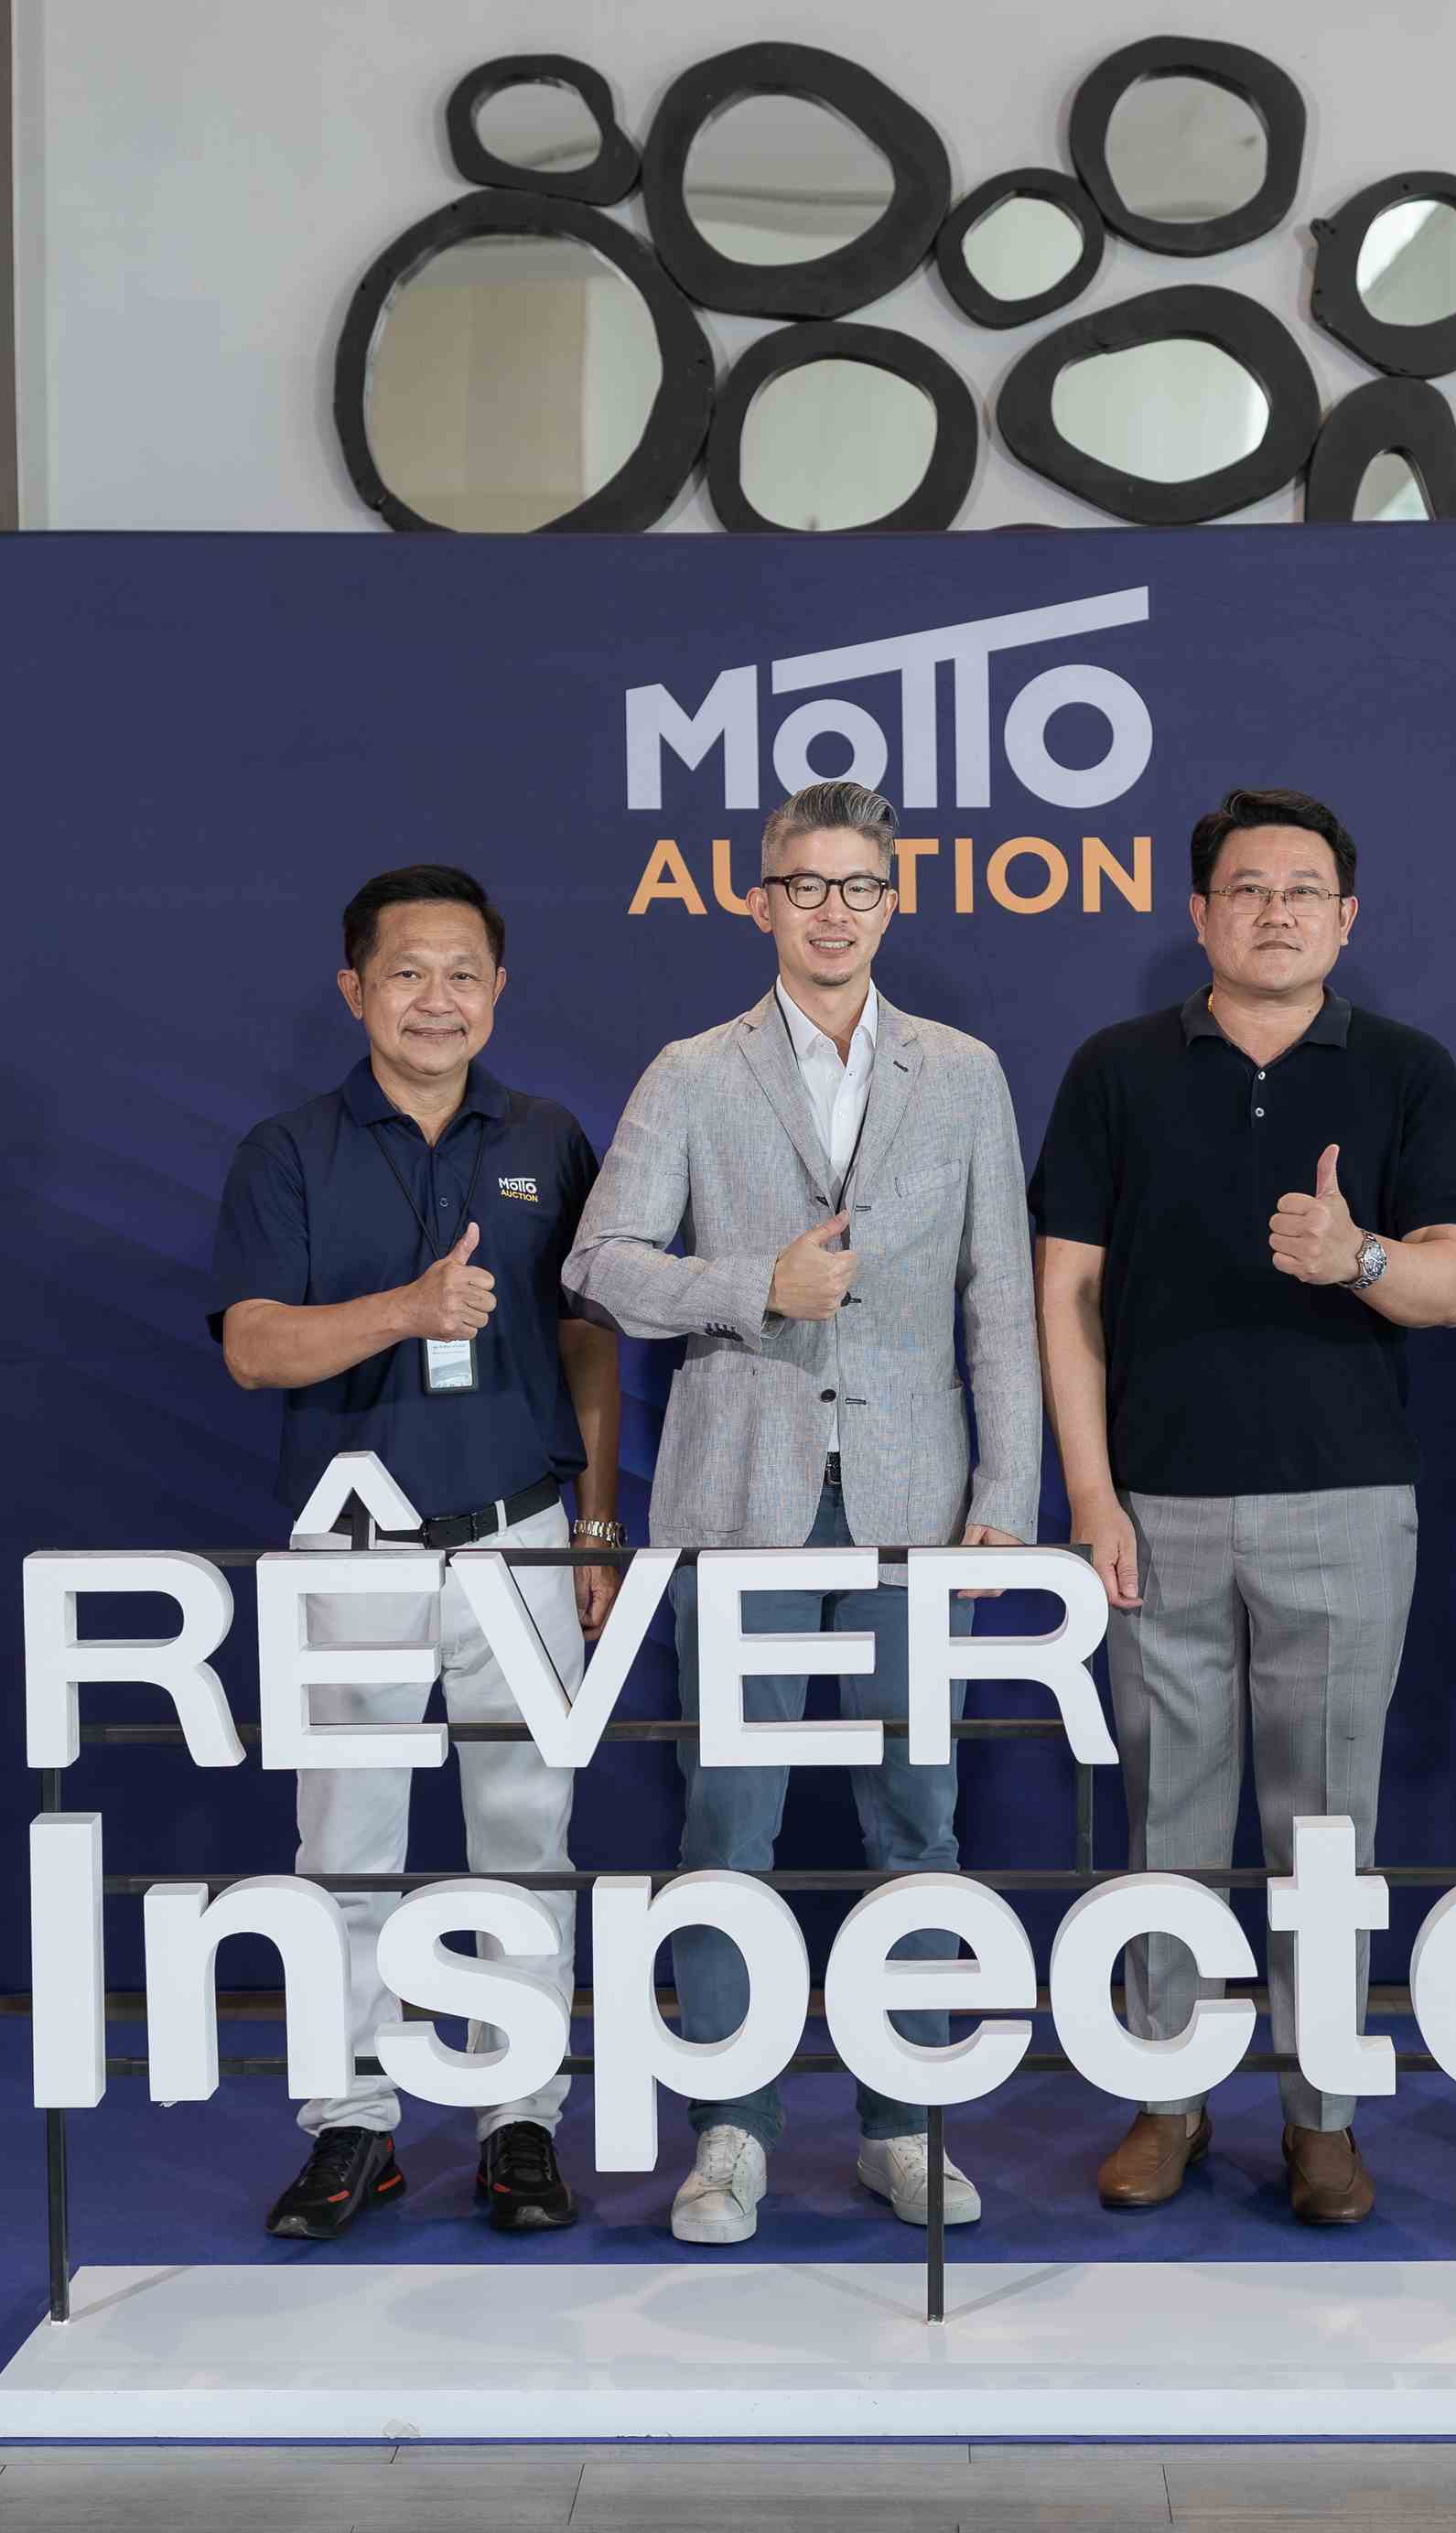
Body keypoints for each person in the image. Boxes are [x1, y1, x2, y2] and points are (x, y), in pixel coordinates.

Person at [564, 779, 1040, 2244]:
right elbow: (599, 1264)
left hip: (914, 1504)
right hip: (740, 1500)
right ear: (760, 899)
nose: (834, 912)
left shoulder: (962, 1073)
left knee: (920, 1817)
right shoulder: (692, 1073)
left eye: (859, 887)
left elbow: (1000, 1298)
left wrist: (1006, 1494)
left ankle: (908, 2122)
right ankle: (731, 2134)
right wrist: (750, 1285)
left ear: (894, 902)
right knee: (729, 1820)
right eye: (807, 886)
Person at [1031, 787, 1456, 2227]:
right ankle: (1164, 2096)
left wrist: (1360, 1258)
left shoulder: (1407, 1072)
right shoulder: (1116, 1070)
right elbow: (1064, 1290)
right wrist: (1090, 1491)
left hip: (1345, 1505)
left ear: (1346, 918)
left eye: (1302, 890)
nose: (1275, 911)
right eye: (1246, 888)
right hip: (1155, 1505)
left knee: (1326, 1831)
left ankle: (1322, 2116)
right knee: (1167, 1824)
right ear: (1199, 913)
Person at [209, 862, 624, 2242]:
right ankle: (353, 2125)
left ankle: (520, 2121)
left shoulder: (551, 1136)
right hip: (356, 1540)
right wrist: (406, 1310)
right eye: (406, 973)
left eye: (462, 974)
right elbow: (254, 1345)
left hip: (522, 1531)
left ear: (499, 990)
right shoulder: (288, 1151)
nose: (436, 1000)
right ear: (354, 990)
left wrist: (596, 1524)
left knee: (529, 1834)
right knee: (347, 1840)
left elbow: (587, 1339)